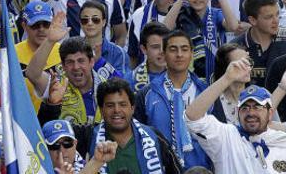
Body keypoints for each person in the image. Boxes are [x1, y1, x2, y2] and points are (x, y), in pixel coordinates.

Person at [185, 59, 286, 173]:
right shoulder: (226, 138)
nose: (251, 113)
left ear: (270, 113)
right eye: (245, 108)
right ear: (237, 114)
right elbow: (192, 117)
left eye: (257, 107)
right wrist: (227, 78)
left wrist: (283, 87)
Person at [41, 77, 178, 173]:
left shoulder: (154, 137)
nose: (117, 110)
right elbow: (45, 133)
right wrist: (53, 105)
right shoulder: (87, 135)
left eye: (122, 104)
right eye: (110, 105)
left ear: (132, 107)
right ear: (101, 110)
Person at [134, 30, 211, 169]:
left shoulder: (206, 92)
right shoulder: (145, 94)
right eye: (173, 49)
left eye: (184, 49)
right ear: (163, 54)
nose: (179, 55)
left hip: (200, 169)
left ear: (192, 54)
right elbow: (138, 138)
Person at [161, 0, 239, 81]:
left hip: (215, 76)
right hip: (187, 78)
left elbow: (233, 26)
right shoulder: (181, 14)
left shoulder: (216, 14)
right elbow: (164, 29)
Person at [231, 0, 286, 87]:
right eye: (269, 17)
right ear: (252, 20)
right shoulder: (235, 49)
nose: (276, 20)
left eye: (277, 14)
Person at [132, 21, 169, 90]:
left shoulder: (184, 76)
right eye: (155, 47)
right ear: (143, 49)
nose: (162, 51)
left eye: (165, 45)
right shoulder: (130, 80)